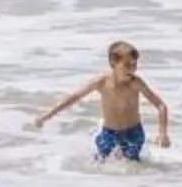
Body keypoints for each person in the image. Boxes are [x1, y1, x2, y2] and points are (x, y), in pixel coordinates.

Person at [31, 40, 171, 162]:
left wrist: (162, 133)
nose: (132, 69)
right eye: (127, 64)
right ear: (113, 63)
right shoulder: (101, 82)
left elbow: (160, 105)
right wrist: (47, 115)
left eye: (134, 64)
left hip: (133, 132)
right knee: (100, 164)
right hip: (109, 132)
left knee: (132, 166)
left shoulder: (136, 83)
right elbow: (74, 97)